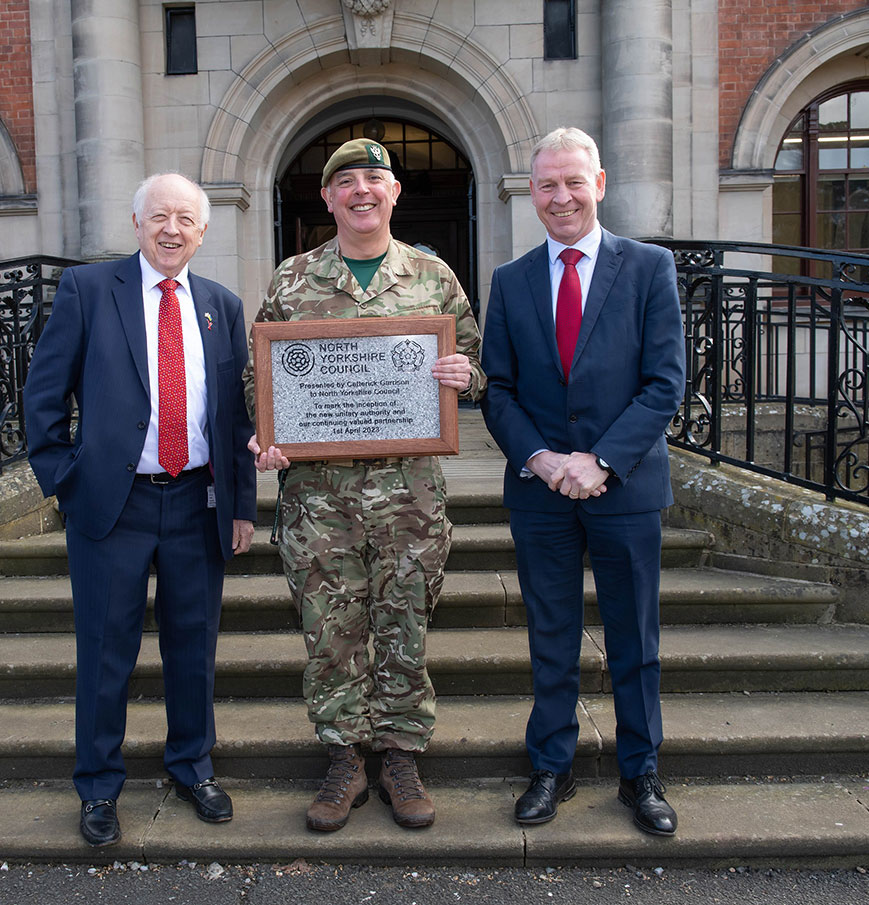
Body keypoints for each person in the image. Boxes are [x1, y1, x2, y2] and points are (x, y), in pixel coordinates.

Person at [245, 138, 485, 832]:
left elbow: (480, 363)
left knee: (404, 624)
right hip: (319, 502)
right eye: (345, 181)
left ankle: (402, 755)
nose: (360, 191)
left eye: (374, 178)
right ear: (327, 198)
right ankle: (345, 757)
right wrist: (261, 431)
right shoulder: (293, 280)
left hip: (409, 499)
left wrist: (465, 377)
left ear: (394, 192)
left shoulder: (432, 277)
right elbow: (256, 381)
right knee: (331, 632)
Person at [24, 173, 257, 847]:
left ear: (203, 231)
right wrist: (66, 479)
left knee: (195, 647)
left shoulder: (222, 304)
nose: (172, 229)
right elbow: (43, 397)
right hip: (112, 506)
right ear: (136, 222)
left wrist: (239, 503)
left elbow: (233, 413)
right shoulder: (89, 291)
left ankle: (192, 765)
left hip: (196, 501)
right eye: (159, 216)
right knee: (105, 652)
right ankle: (98, 784)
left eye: (186, 219)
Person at [480, 128, 685, 836]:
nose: (560, 197)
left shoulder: (650, 267)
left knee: (635, 637)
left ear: (599, 184)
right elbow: (497, 391)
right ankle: (550, 764)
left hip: (624, 488)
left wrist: (599, 460)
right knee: (551, 633)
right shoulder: (510, 282)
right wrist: (540, 459)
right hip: (539, 493)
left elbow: (665, 385)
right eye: (546, 185)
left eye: (573, 182)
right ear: (530, 192)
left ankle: (641, 771)